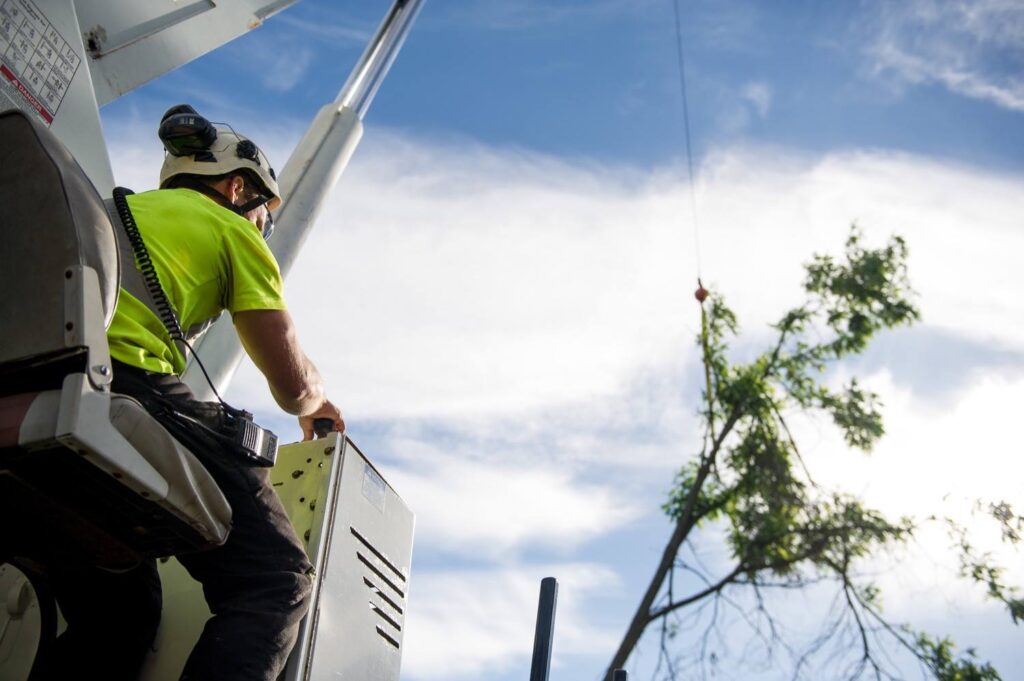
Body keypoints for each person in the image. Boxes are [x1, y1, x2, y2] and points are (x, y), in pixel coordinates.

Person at [45, 109, 344, 681]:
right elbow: (292, 386)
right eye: (264, 215)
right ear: (237, 188)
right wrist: (319, 402)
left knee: (120, 616)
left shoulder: (107, 213)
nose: (261, 227)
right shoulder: (232, 229)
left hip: (42, 399)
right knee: (276, 579)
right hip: (122, 390)